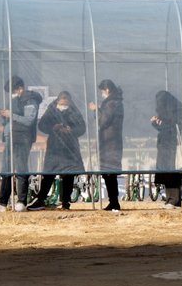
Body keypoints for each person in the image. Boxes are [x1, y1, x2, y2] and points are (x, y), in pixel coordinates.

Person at [0, 76, 41, 213]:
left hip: (22, 138)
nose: (12, 94)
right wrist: (5, 116)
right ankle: (2, 202)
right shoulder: (16, 100)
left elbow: (29, 121)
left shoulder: (30, 100)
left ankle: (21, 201)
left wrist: (11, 115)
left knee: (20, 169)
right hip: (11, 138)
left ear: (19, 88)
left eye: (13, 90)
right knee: (6, 170)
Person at [29, 91, 86, 210]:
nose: (64, 104)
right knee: (49, 174)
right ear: (58, 101)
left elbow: (82, 128)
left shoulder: (74, 111)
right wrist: (53, 128)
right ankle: (41, 200)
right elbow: (42, 125)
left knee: (68, 176)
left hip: (70, 148)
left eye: (67, 102)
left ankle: (65, 202)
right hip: (54, 147)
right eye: (62, 101)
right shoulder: (51, 110)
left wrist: (71, 130)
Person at [89, 79, 124, 212]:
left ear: (107, 90)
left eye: (102, 91)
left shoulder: (111, 103)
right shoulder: (116, 102)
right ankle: (113, 201)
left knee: (109, 172)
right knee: (109, 173)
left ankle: (114, 202)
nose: (101, 94)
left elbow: (103, 121)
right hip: (110, 141)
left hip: (110, 143)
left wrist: (96, 110)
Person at [152, 90, 182, 209]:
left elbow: (170, 127)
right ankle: (170, 198)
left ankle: (174, 200)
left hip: (171, 146)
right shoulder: (168, 113)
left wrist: (159, 123)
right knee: (166, 173)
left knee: (172, 173)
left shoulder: (174, 113)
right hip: (165, 146)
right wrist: (157, 123)